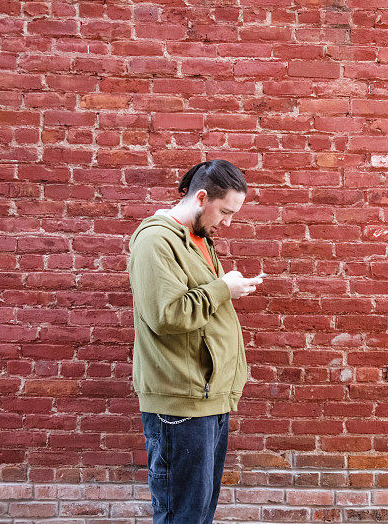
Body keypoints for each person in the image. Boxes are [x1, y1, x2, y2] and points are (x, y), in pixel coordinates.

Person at [127, 159, 262, 523]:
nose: (228, 222)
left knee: (198, 513)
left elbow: (202, 302)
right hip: (180, 402)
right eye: (225, 211)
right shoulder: (156, 240)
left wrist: (227, 288)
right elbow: (167, 315)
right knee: (181, 515)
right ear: (202, 197)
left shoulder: (199, 238)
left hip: (208, 398)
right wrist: (223, 288)